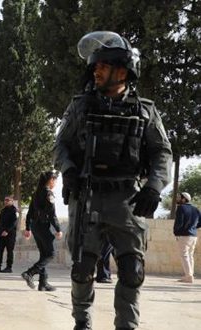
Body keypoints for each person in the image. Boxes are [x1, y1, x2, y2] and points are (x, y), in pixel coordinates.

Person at [55, 31, 172, 330]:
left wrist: (155, 186)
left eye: (103, 66)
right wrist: (68, 170)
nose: (96, 71)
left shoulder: (145, 111)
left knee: (133, 271)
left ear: (122, 71)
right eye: (95, 66)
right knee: (82, 269)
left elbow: (161, 152)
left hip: (127, 201)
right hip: (88, 197)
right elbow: (61, 145)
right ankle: (82, 321)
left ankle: (127, 326)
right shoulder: (80, 106)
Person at [22, 170, 63, 291]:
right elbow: (52, 214)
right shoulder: (48, 194)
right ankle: (29, 273)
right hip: (43, 226)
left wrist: (28, 228)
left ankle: (43, 283)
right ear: (51, 180)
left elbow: (29, 212)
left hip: (35, 226)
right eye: (55, 180)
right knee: (51, 254)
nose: (55, 182)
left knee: (43, 254)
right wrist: (58, 229)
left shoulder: (35, 193)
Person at [173, 192, 200, 283]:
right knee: (190, 255)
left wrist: (176, 233)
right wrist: (193, 227)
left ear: (184, 199)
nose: (177, 199)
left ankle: (188, 276)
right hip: (194, 235)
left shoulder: (181, 208)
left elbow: (179, 222)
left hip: (184, 235)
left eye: (179, 197)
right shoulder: (196, 209)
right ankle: (190, 275)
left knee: (184, 255)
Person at [0, 195, 18, 273]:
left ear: (12, 201)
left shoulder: (15, 211)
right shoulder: (3, 210)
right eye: (5, 200)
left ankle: (9, 267)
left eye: (8, 200)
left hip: (10, 235)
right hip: (1, 235)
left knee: (9, 251)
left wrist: (7, 231)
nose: (6, 201)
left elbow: (14, 223)